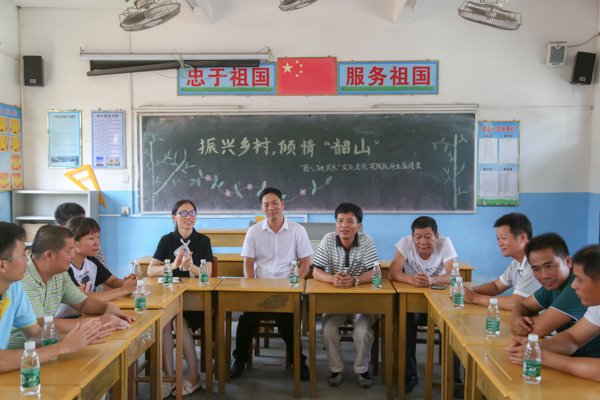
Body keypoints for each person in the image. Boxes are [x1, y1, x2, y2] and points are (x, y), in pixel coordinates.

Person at [0, 222, 107, 373]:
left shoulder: (14, 287)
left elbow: (34, 335)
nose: (27, 259)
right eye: (23, 255)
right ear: (2, 265)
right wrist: (63, 347)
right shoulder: (23, 282)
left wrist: (81, 337)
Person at [230, 188, 313, 381]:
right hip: (260, 290)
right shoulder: (254, 231)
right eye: (266, 204)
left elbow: (305, 264)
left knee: (287, 320)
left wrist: (292, 285)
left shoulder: (298, 230)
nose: (271, 207)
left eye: (275, 203)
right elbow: (248, 264)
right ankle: (239, 360)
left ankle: (298, 361)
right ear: (262, 208)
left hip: (287, 290)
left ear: (282, 204)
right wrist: (252, 288)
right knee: (246, 320)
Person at [7, 225, 131, 350]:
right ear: (49, 255)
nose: (73, 256)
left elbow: (82, 302)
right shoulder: (22, 278)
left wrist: (108, 307)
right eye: (69, 251)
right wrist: (98, 322)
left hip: (47, 348)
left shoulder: (60, 273)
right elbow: (40, 324)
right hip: (23, 354)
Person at [147, 199, 214, 398]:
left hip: (196, 302)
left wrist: (189, 266)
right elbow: (151, 271)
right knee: (164, 322)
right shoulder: (166, 240)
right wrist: (174, 266)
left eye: (192, 213)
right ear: (174, 217)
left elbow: (208, 273)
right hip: (171, 299)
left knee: (177, 320)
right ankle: (169, 378)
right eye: (183, 213)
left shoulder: (203, 240)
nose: (188, 217)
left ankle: (194, 376)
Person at [506, 244, 600, 381]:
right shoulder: (597, 307)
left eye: (580, 280)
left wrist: (546, 358)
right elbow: (572, 338)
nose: (573, 285)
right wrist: (537, 347)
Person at [388, 216, 458, 394]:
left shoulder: (445, 243)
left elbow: (454, 275)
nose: (423, 242)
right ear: (412, 237)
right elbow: (393, 273)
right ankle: (409, 374)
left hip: (439, 303)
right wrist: (411, 279)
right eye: (418, 237)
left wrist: (433, 280)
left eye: (428, 237)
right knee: (404, 321)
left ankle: (454, 378)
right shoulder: (405, 243)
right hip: (413, 304)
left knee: (454, 325)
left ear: (436, 236)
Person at [312, 203, 379, 388]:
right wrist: (332, 279)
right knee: (328, 330)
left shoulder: (366, 240)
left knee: (363, 332)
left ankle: (362, 370)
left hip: (362, 303)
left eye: (350, 221)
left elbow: (375, 273)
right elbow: (316, 271)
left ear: (358, 226)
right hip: (335, 303)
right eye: (340, 221)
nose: (344, 225)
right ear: (335, 224)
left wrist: (355, 280)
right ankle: (336, 369)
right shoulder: (328, 239)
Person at [54, 217, 137, 318]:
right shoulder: (64, 267)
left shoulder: (91, 260)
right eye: (91, 238)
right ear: (74, 242)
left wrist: (131, 282)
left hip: (85, 314)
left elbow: (112, 281)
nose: (97, 243)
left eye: (98, 237)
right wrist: (123, 290)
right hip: (64, 320)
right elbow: (83, 298)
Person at [463, 213, 540, 310]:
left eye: (503, 238)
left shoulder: (536, 265)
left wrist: (475, 298)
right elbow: (496, 286)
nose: (499, 244)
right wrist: (469, 290)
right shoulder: (515, 264)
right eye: (498, 239)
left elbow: (516, 302)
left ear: (522, 238)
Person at [54, 202, 108, 268]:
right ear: (61, 226)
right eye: (75, 224)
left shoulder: (94, 246)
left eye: (83, 221)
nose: (82, 226)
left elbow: (104, 270)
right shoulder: (54, 250)